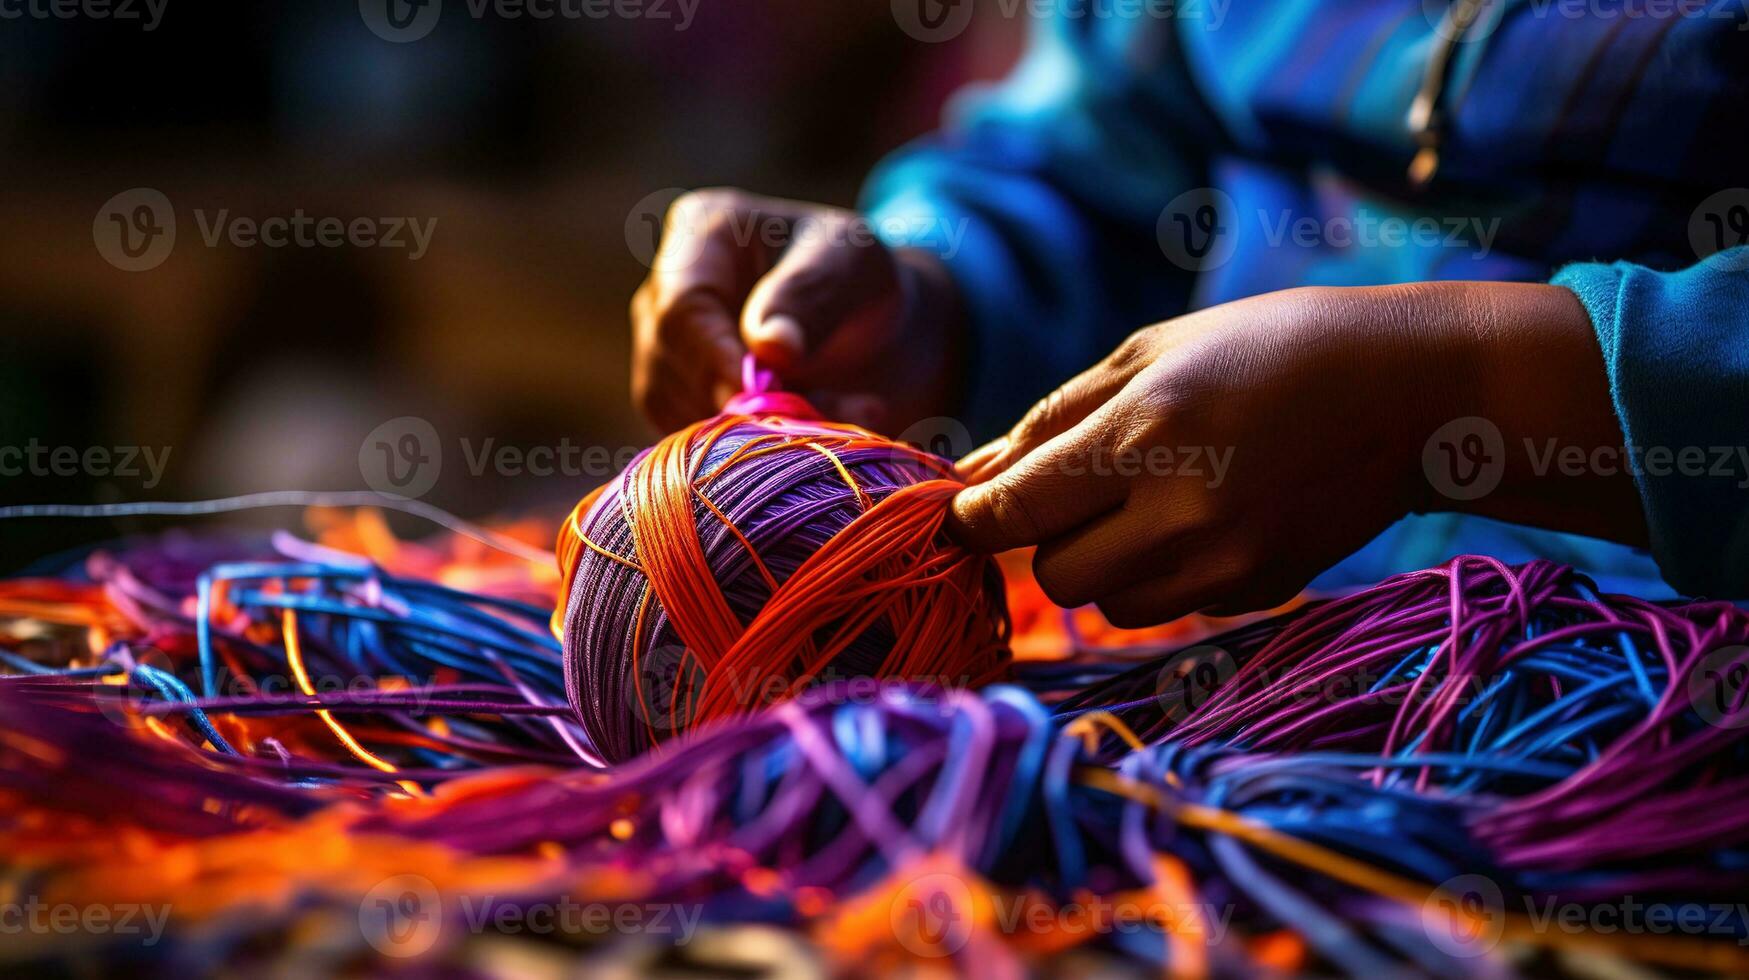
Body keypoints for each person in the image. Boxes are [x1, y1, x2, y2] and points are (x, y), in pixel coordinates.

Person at [628, 2, 1749, 625]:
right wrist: (930, 301)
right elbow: (1101, 171)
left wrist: (1476, 395)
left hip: (1647, 712)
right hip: (1229, 683)